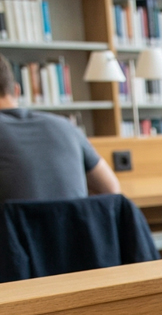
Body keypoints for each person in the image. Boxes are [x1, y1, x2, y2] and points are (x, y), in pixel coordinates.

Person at [0, 54, 120, 204]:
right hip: (74, 226)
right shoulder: (65, 126)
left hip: (18, 227)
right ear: (17, 90)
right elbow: (112, 189)